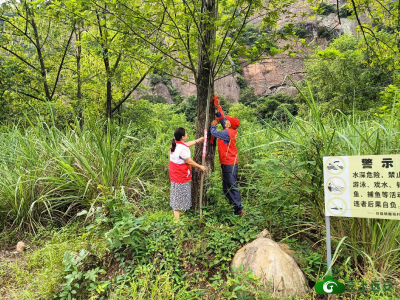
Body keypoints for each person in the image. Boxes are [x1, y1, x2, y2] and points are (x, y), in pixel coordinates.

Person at [210, 105, 244, 216]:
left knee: (231, 185)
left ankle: (239, 210)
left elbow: (214, 133)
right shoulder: (230, 130)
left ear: (230, 125)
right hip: (229, 163)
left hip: (229, 164)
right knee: (226, 187)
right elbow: (222, 120)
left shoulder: (227, 133)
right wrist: (217, 107)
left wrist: (212, 126)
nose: (227, 121)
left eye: (228, 121)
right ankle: (233, 207)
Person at [169, 127, 206, 220]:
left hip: (174, 174)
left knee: (177, 195)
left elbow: (186, 145)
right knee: (178, 198)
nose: (187, 134)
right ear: (183, 137)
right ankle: (177, 221)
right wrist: (200, 167)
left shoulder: (175, 144)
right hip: (180, 176)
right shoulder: (182, 149)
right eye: (186, 133)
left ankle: (181, 217)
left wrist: (198, 140)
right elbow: (190, 162)